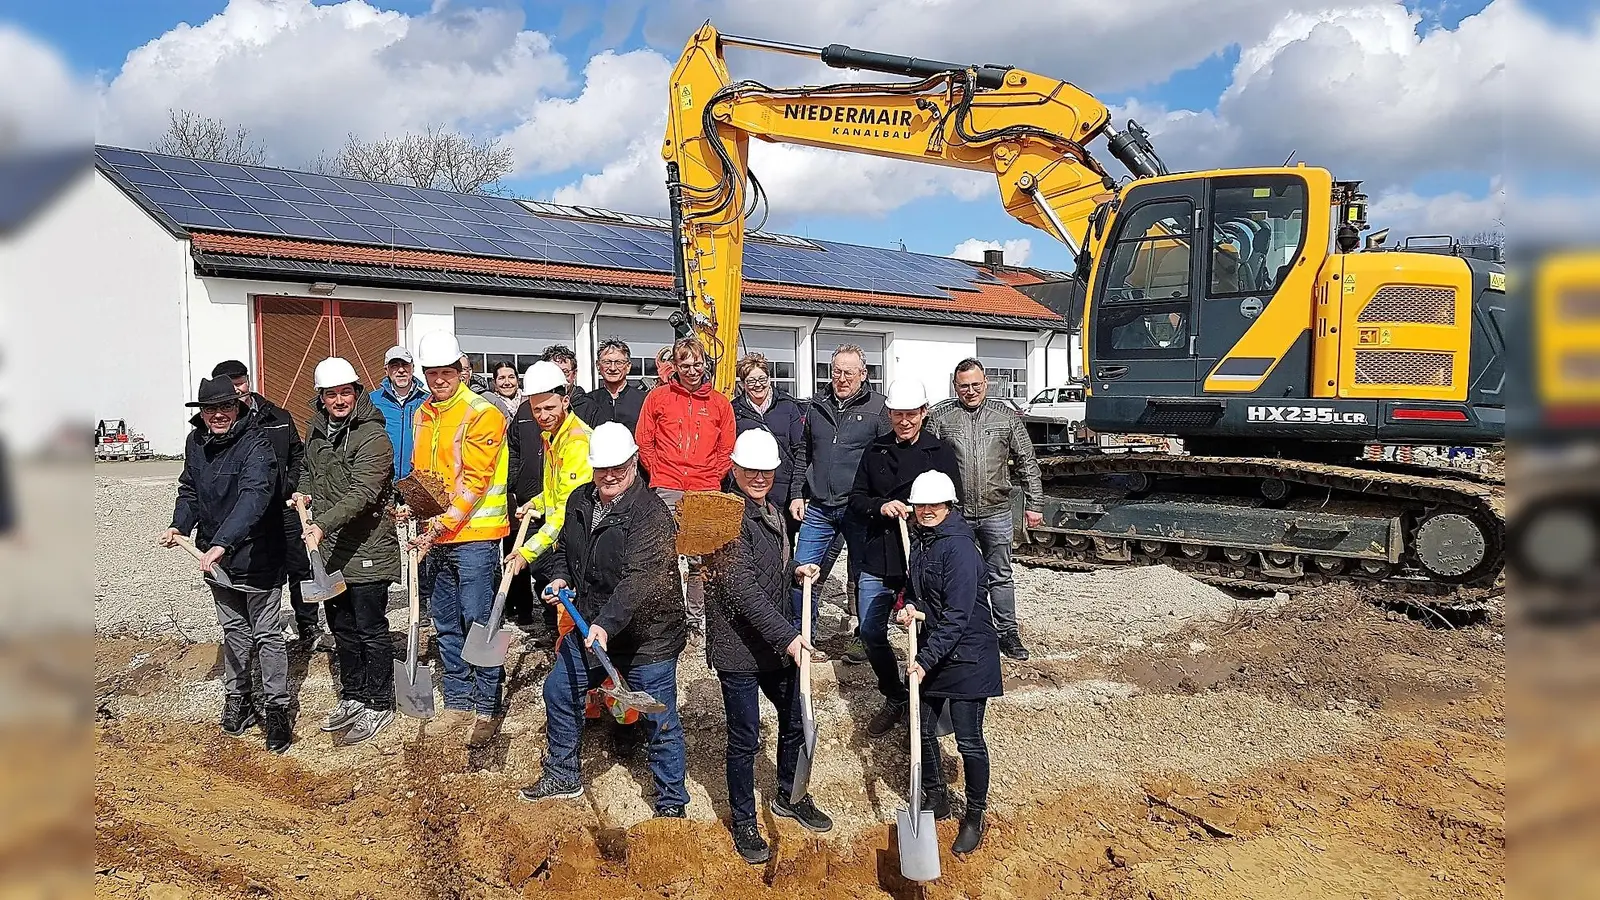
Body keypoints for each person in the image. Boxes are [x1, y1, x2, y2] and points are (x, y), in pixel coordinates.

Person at [518, 423, 690, 817]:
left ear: (634, 463)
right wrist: (559, 574)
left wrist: (607, 624)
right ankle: (563, 774)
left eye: (619, 467)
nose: (610, 475)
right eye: (602, 468)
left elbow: (640, 581)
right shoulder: (581, 500)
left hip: (649, 636)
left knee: (657, 718)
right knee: (560, 690)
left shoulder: (651, 515)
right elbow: (563, 546)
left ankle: (671, 804)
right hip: (592, 624)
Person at [705, 429, 834, 863]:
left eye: (767, 471)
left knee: (796, 719)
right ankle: (743, 819)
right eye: (751, 470)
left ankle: (789, 796)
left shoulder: (772, 510)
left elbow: (768, 568)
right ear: (735, 469)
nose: (760, 477)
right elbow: (741, 589)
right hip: (739, 647)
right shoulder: (723, 516)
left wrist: (796, 568)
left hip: (774, 645)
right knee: (744, 737)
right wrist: (789, 636)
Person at [161, 374, 292, 753]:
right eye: (210, 409)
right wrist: (179, 524)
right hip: (215, 556)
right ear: (201, 414)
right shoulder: (196, 443)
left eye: (225, 407)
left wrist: (221, 543)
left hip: (257, 554)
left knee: (267, 633)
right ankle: (238, 699)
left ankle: (278, 708)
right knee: (233, 629)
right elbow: (190, 490)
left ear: (238, 408)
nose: (217, 415)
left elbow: (255, 497)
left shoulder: (257, 445)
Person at [407, 332, 511, 748]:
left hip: (474, 535)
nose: (438, 380)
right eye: (431, 373)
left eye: (445, 372)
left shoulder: (482, 412)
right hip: (437, 536)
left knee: (480, 620)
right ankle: (459, 698)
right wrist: (414, 511)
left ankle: (487, 703)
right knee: (446, 621)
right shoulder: (422, 413)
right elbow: (424, 476)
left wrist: (438, 525)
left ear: (459, 371)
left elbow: (475, 480)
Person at [294, 358, 401, 746]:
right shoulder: (318, 430)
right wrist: (303, 493)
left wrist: (322, 524)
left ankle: (379, 700)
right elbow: (309, 468)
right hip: (331, 549)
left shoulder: (373, 437)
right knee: (341, 626)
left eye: (345, 392)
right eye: (330, 394)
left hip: (367, 545)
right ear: (320, 398)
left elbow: (363, 493)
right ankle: (354, 695)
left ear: (356, 392)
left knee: (370, 627)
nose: (339, 400)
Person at [848, 379, 962, 737]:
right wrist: (881, 505)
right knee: (869, 630)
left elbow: (952, 503)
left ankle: (926, 702)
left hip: (923, 554)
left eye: (912, 414)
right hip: (879, 552)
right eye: (898, 414)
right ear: (890, 414)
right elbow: (856, 498)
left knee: (930, 631)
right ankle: (894, 694)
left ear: (924, 413)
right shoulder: (876, 450)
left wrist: (920, 514)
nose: (905, 421)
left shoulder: (940, 452)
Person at [896, 469, 1001, 856]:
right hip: (940, 651)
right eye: (920, 504)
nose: (926, 510)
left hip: (969, 655)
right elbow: (919, 592)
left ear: (948, 505)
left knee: (969, 739)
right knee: (920, 727)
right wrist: (909, 606)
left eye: (933, 504)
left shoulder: (959, 548)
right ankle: (936, 796)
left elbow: (957, 615)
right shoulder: (923, 542)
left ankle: (975, 816)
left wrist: (922, 661)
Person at [927, 359, 1046, 661]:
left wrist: (1034, 504)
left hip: (996, 510)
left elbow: (1026, 461)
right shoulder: (941, 418)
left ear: (986, 383)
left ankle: (1008, 632)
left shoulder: (1005, 418)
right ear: (955, 386)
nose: (970, 391)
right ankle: (960, 630)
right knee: (956, 575)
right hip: (956, 513)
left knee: (1000, 574)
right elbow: (925, 464)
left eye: (976, 385)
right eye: (964, 386)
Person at [211, 359, 327, 652]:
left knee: (300, 567)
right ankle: (258, 630)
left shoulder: (277, 416)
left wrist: (292, 488)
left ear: (249, 380)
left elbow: (297, 456)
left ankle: (308, 624)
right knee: (254, 570)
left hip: (283, 508)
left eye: (241, 381)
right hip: (245, 514)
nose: (238, 388)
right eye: (230, 383)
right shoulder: (223, 425)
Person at [790, 345, 889, 662]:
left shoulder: (879, 409)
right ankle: (803, 639)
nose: (841, 378)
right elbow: (803, 453)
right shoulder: (817, 405)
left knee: (865, 578)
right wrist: (796, 492)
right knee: (803, 574)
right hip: (819, 506)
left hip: (859, 510)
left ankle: (863, 641)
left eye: (849, 372)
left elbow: (886, 459)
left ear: (864, 374)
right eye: (836, 371)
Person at [634, 336, 737, 637]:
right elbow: (644, 440)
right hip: (666, 484)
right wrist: (660, 472)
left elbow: (726, 447)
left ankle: (696, 618)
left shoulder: (719, 403)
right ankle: (664, 615)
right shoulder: (658, 398)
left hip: (704, 488)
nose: (692, 370)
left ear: (705, 364)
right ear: (675, 366)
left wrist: (711, 476)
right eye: (685, 365)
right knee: (662, 554)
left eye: (697, 364)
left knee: (699, 558)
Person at [503, 361, 593, 628]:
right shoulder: (553, 436)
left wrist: (526, 553)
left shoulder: (575, 442)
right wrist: (537, 501)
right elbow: (556, 490)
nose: (543, 415)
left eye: (550, 407)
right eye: (537, 409)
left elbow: (567, 509)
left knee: (575, 612)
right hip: (564, 538)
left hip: (578, 538)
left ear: (565, 401)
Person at [369, 346, 428, 481]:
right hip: (382, 480)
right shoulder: (372, 400)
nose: (401, 370)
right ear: (386, 370)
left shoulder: (428, 401)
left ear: (412, 368)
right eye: (395, 366)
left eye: (405, 365)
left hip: (417, 480)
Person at [574, 338, 646, 431]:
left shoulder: (644, 400)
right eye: (607, 362)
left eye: (618, 363)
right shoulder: (588, 401)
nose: (612, 368)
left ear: (628, 367)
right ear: (598, 366)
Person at [487, 359, 523, 425]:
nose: (507, 382)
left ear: (517, 380)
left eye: (511, 377)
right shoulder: (490, 405)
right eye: (502, 378)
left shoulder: (529, 402)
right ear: (494, 382)